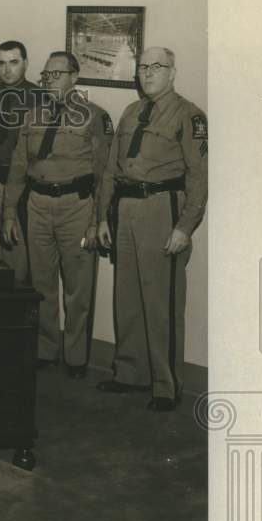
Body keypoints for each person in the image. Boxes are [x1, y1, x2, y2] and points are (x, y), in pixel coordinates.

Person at [95, 46, 208, 411]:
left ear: (173, 71)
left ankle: (165, 385)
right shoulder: (131, 112)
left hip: (163, 209)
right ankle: (129, 373)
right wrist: (102, 218)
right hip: (125, 209)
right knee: (126, 297)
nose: (147, 73)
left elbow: (199, 178)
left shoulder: (189, 115)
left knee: (161, 303)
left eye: (156, 67)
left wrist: (185, 227)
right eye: (142, 67)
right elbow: (111, 170)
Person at [1, 52, 112, 378]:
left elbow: (104, 174)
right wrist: (9, 213)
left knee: (79, 288)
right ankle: (46, 349)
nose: (50, 80)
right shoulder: (31, 117)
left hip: (76, 207)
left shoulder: (96, 117)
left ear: (75, 77)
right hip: (37, 205)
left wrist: (96, 220)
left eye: (57, 74)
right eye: (46, 75)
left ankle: (76, 358)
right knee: (43, 283)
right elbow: (18, 167)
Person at [0, 40, 38, 281]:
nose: (7, 69)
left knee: (19, 257)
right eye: (1, 63)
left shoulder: (40, 100)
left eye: (14, 62)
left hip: (21, 190)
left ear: (26, 63)